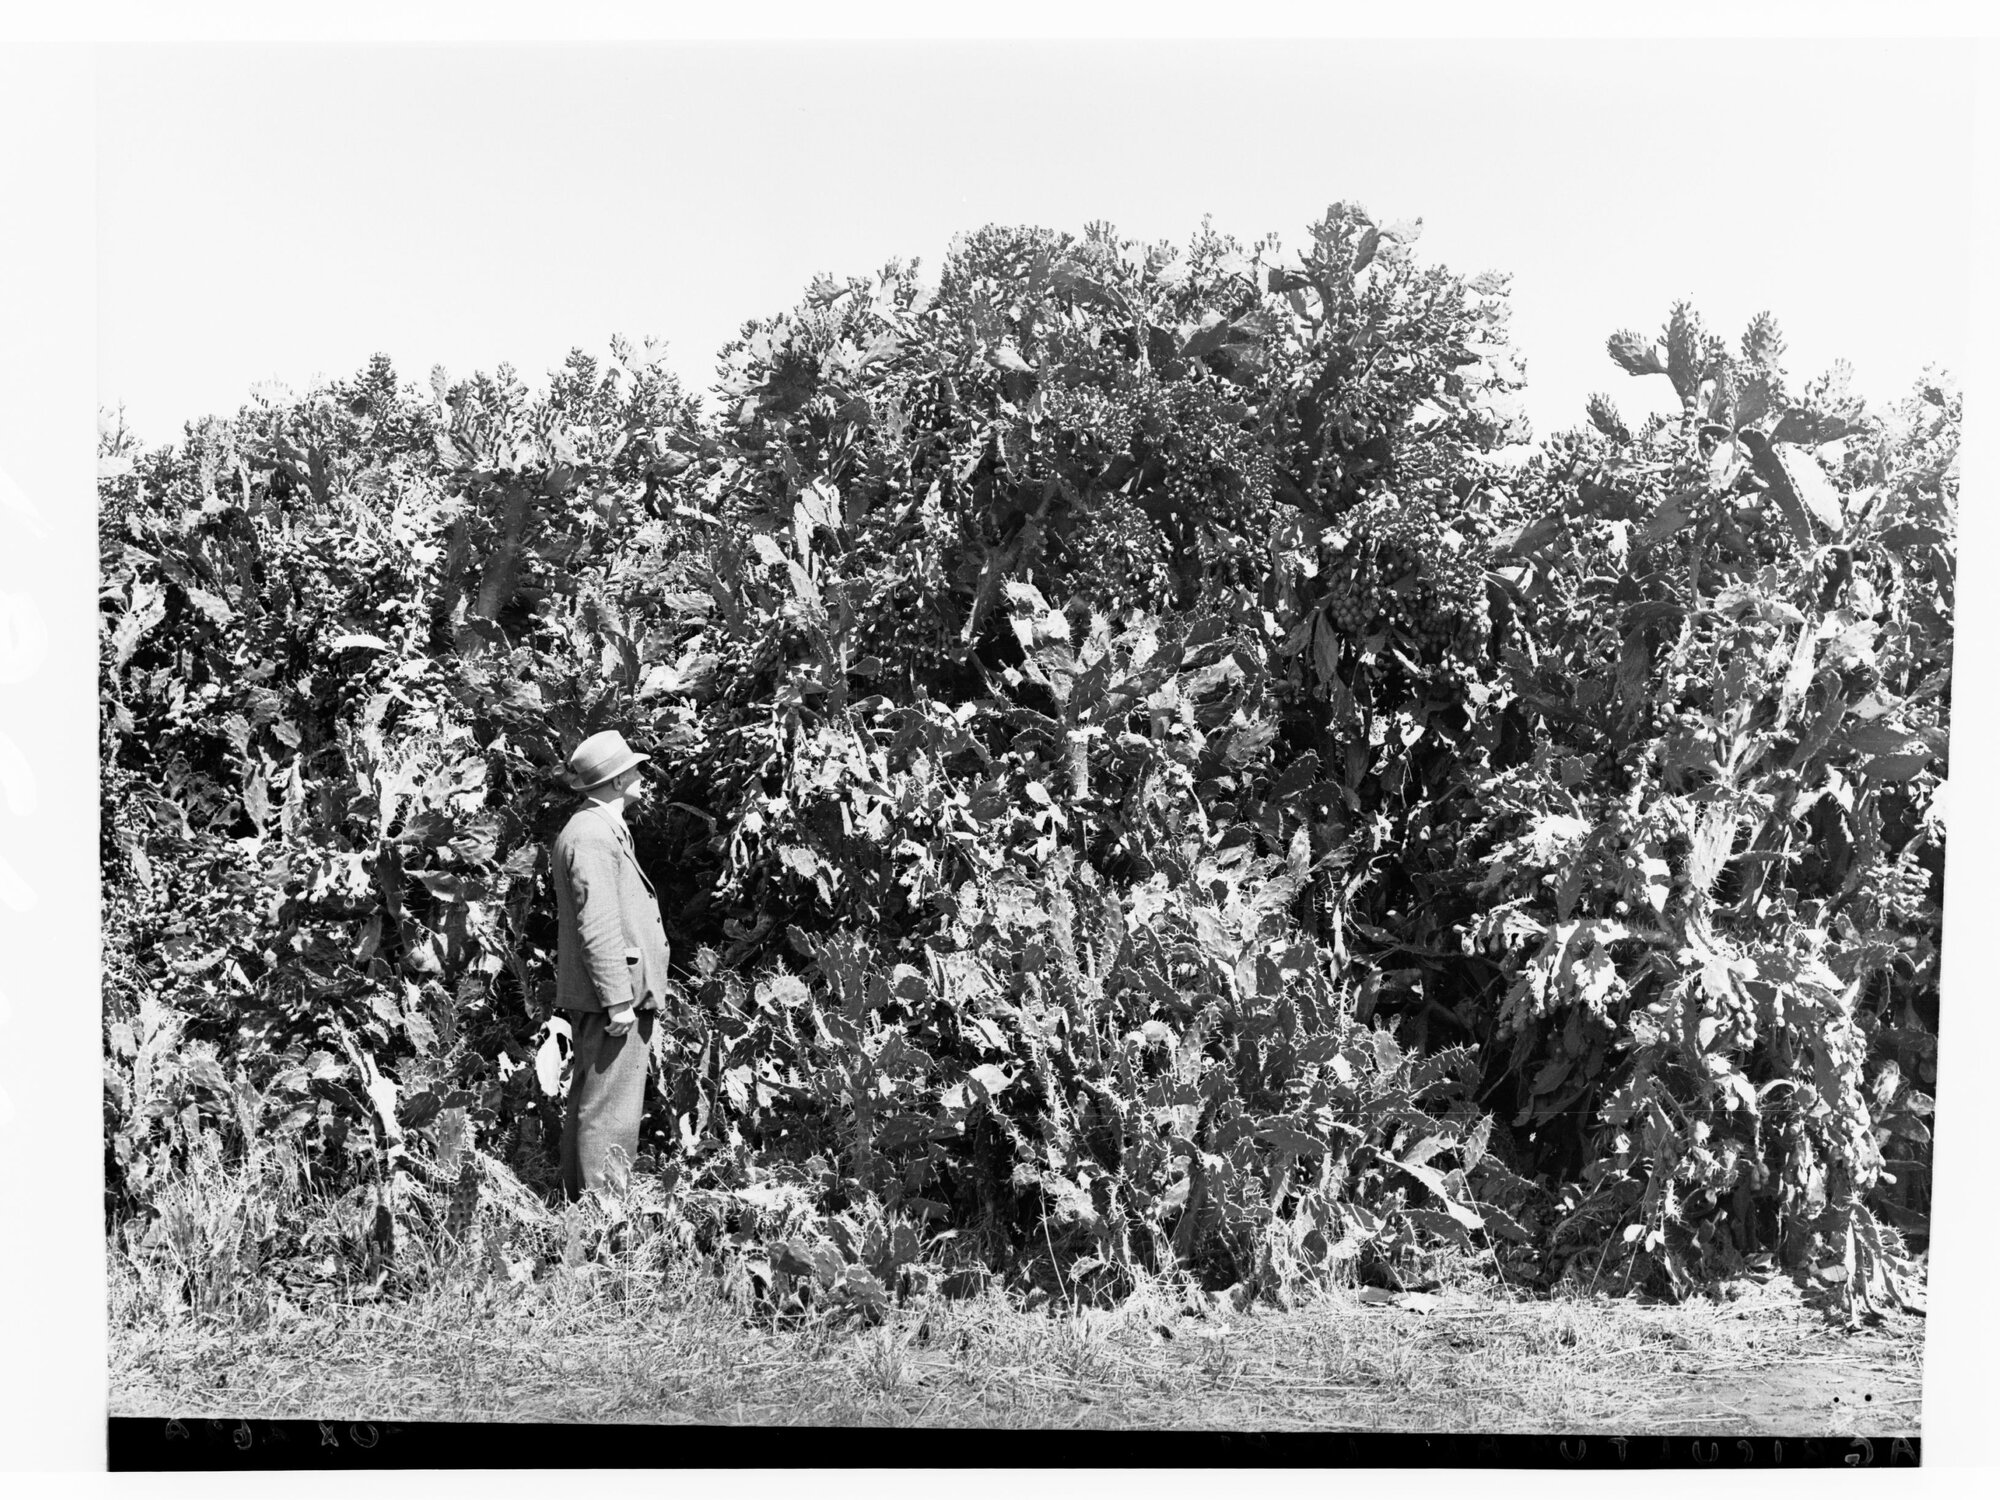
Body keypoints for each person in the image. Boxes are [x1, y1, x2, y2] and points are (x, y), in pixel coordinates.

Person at [551, 729, 672, 1198]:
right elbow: (597, 924)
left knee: (592, 1100)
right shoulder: (594, 834)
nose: (641, 774)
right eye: (634, 769)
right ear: (618, 782)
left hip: (609, 994)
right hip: (613, 998)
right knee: (611, 1111)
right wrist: (619, 1000)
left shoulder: (594, 828)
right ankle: (605, 1215)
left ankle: (573, 1202)